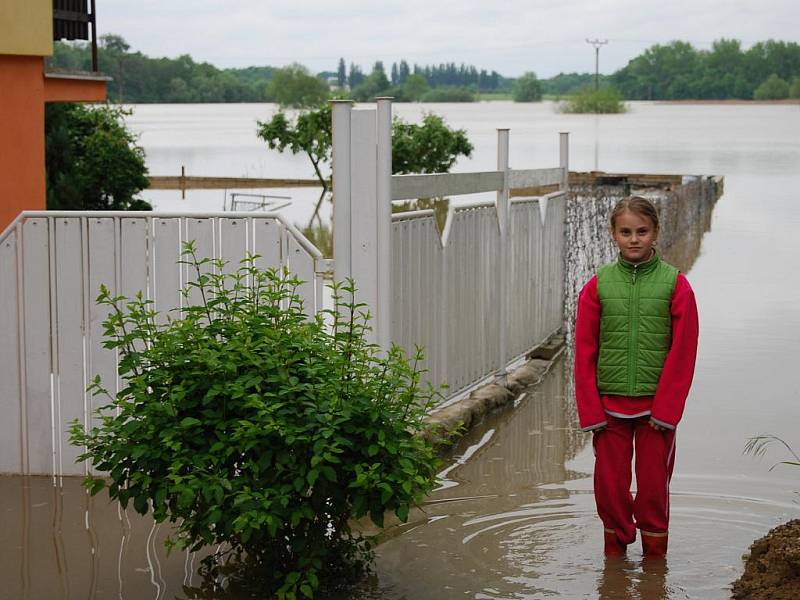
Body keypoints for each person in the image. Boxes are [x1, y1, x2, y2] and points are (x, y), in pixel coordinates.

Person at [574, 196, 699, 558]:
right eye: (625, 232)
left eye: (642, 231)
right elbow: (584, 353)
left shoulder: (676, 285)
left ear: (656, 232)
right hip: (608, 409)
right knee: (610, 488)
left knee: (653, 489)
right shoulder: (597, 286)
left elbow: (683, 353)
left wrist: (667, 410)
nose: (634, 239)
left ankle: (654, 567)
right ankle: (615, 565)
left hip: (655, 413)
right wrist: (591, 412)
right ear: (613, 234)